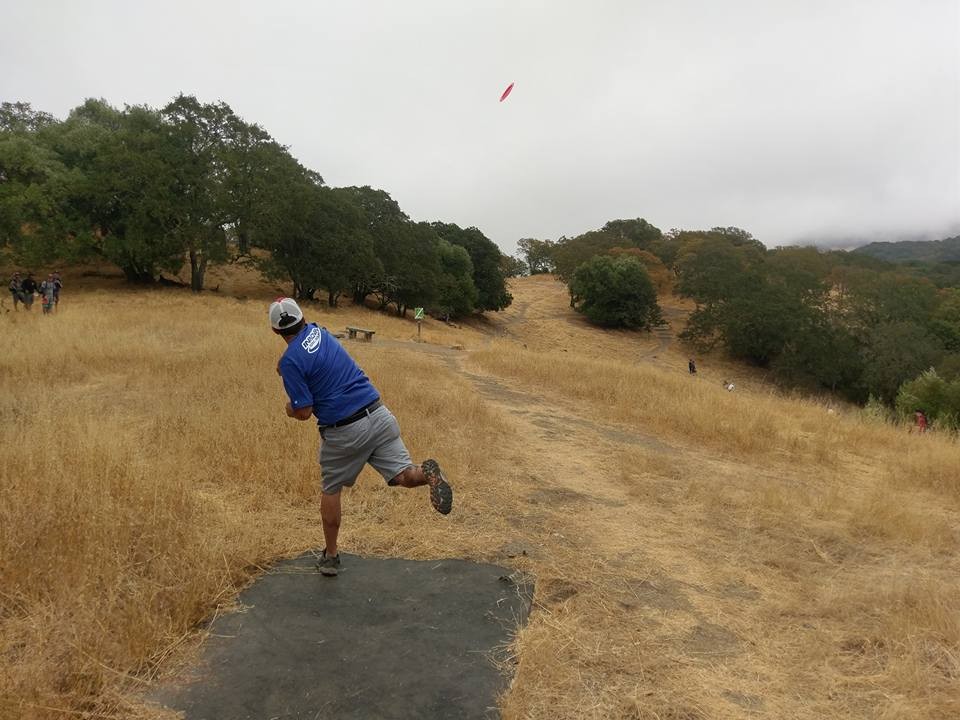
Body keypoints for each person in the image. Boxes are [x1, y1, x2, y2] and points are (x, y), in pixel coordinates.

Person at [271, 297, 453, 577]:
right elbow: (312, 357)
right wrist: (287, 366)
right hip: (379, 414)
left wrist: (289, 408)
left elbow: (304, 411)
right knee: (404, 476)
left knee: (331, 488)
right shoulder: (320, 331)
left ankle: (331, 557)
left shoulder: (291, 362)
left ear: (275, 330)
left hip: (345, 431)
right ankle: (427, 474)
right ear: (303, 318)